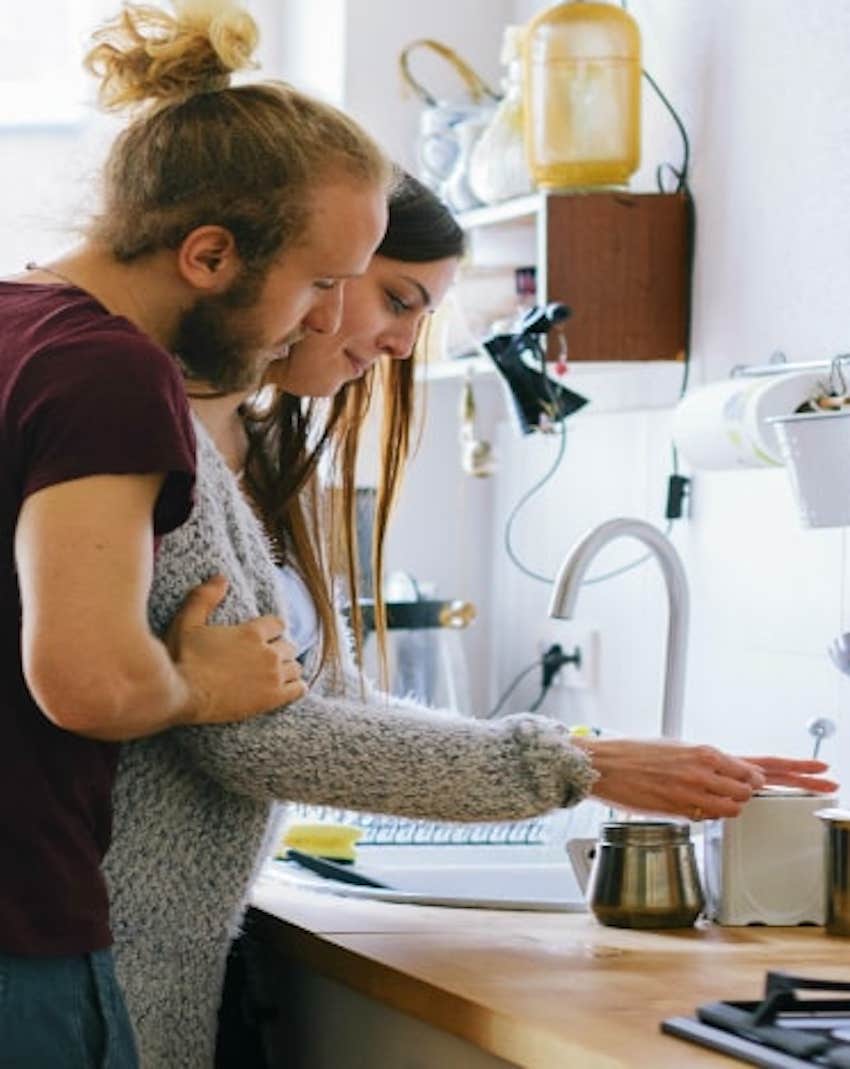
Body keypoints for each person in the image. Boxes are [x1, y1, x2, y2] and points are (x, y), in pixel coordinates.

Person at [101, 172, 838, 1067]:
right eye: (395, 298)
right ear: (314, 271)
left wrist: (586, 752)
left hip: (166, 943)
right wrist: (582, 763)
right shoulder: (161, 432)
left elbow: (323, 693)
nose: (404, 344)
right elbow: (255, 737)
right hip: (108, 936)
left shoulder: (253, 445)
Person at [0, 0, 394, 1063]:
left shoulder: (12, 328)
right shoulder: (107, 368)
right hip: (18, 934)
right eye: (319, 282)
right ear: (210, 255)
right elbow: (90, 681)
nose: (326, 321)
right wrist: (204, 686)